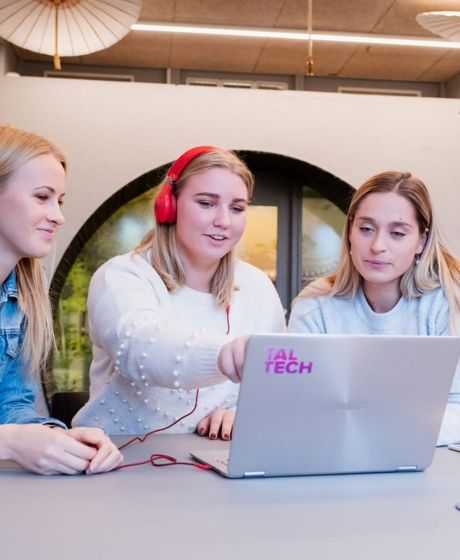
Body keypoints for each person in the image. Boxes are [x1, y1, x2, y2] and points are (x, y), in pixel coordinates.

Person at [73, 146, 286, 439]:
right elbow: (139, 346)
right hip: (115, 460)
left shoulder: (258, 287)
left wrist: (245, 411)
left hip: (213, 463)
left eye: (236, 208)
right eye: (206, 203)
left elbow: (275, 388)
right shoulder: (122, 276)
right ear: (168, 206)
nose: (224, 220)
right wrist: (224, 355)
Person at [288, 170, 460, 445]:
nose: (378, 246)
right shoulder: (314, 307)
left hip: (427, 468)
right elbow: (293, 405)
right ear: (350, 233)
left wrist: (380, 431)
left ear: (422, 241)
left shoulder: (448, 304)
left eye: (398, 233)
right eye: (366, 229)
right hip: (330, 460)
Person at [0, 125, 123, 474]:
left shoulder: (21, 296)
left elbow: (12, 405)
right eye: (42, 197)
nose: (58, 215)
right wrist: (10, 442)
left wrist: (60, 438)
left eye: (60, 200)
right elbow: (9, 434)